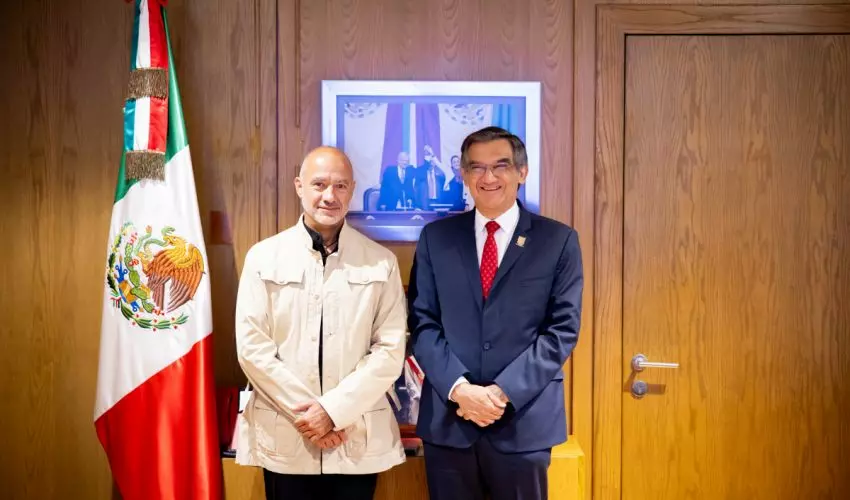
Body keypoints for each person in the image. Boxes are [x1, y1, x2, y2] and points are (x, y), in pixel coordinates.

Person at [407, 127, 583, 500]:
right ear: (464, 175)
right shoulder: (436, 238)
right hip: (451, 422)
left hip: (524, 423)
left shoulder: (558, 240)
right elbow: (423, 323)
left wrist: (502, 393)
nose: (488, 177)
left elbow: (561, 332)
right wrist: (461, 390)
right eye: (476, 167)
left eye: (500, 166)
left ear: (522, 172)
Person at [235, 146, 408, 500]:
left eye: (340, 186)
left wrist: (333, 411)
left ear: (352, 190)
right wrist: (312, 418)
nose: (330, 196)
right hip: (288, 436)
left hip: (354, 437)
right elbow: (253, 349)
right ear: (299, 186)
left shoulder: (380, 262)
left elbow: (389, 351)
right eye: (319, 184)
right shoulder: (263, 257)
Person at [413, 145, 447, 210]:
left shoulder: (440, 173)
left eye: (432, 161)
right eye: (429, 161)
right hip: (424, 202)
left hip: (438, 202)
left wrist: (432, 153)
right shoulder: (420, 171)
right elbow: (416, 189)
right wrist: (417, 205)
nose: (431, 163)